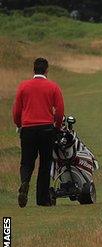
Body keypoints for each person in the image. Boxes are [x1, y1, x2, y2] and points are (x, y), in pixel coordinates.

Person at [12, 58, 65, 207]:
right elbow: (60, 110)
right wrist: (57, 126)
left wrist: (18, 124)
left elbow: (16, 110)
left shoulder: (23, 86)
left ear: (33, 70)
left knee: (27, 162)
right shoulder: (53, 87)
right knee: (45, 163)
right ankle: (42, 200)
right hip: (46, 129)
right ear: (47, 70)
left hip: (28, 129)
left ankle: (25, 182)